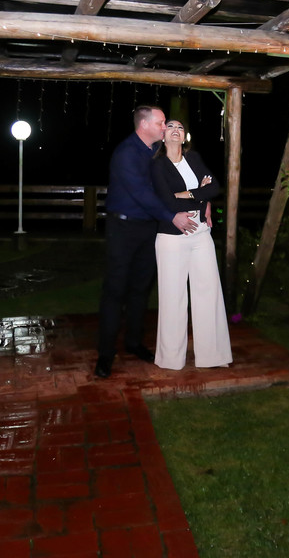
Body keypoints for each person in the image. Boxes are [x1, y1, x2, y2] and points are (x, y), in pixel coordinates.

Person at [96, 106, 196, 379]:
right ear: (144, 125)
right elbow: (142, 193)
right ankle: (105, 354)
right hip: (123, 228)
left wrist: (202, 200)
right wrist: (171, 216)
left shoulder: (156, 152)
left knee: (141, 288)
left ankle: (133, 342)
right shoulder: (126, 153)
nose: (165, 127)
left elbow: (171, 184)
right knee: (115, 290)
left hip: (149, 229)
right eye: (161, 123)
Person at [149, 119, 233, 370]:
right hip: (171, 237)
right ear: (163, 135)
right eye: (170, 127)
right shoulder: (157, 164)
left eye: (180, 127)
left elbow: (214, 187)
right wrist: (199, 194)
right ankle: (171, 359)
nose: (176, 130)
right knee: (172, 297)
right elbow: (163, 199)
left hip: (201, 233)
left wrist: (190, 194)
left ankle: (213, 355)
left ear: (184, 135)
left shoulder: (193, 158)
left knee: (209, 293)